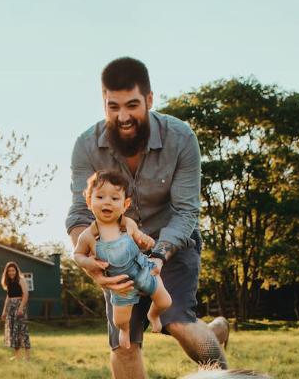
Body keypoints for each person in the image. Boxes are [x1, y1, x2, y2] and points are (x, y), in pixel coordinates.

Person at [66, 56, 228, 378]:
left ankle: (216, 354)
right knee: (124, 345)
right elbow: (80, 213)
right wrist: (88, 259)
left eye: (132, 105)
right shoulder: (86, 146)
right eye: (113, 107)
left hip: (172, 243)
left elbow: (185, 212)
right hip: (117, 253)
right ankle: (214, 333)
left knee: (177, 321)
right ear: (104, 103)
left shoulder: (181, 138)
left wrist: (157, 256)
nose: (123, 117)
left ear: (149, 100)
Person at [74, 170, 172, 349]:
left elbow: (140, 238)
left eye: (114, 198)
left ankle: (153, 315)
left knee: (165, 301)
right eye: (100, 196)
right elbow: (77, 255)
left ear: (125, 204)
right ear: (89, 201)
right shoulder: (88, 236)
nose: (107, 202)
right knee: (120, 319)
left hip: (143, 269)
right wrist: (88, 262)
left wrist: (147, 241)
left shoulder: (128, 225)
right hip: (122, 284)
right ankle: (124, 330)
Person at [0, 261, 31, 360]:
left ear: (16, 270)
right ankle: (17, 356)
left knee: (22, 331)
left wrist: (21, 308)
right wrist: (4, 311)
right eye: (9, 271)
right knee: (14, 331)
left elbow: (26, 294)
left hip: (19, 306)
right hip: (11, 308)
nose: (11, 272)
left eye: (13, 270)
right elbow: (8, 297)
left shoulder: (21, 280)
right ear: (7, 272)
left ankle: (27, 356)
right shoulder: (9, 282)